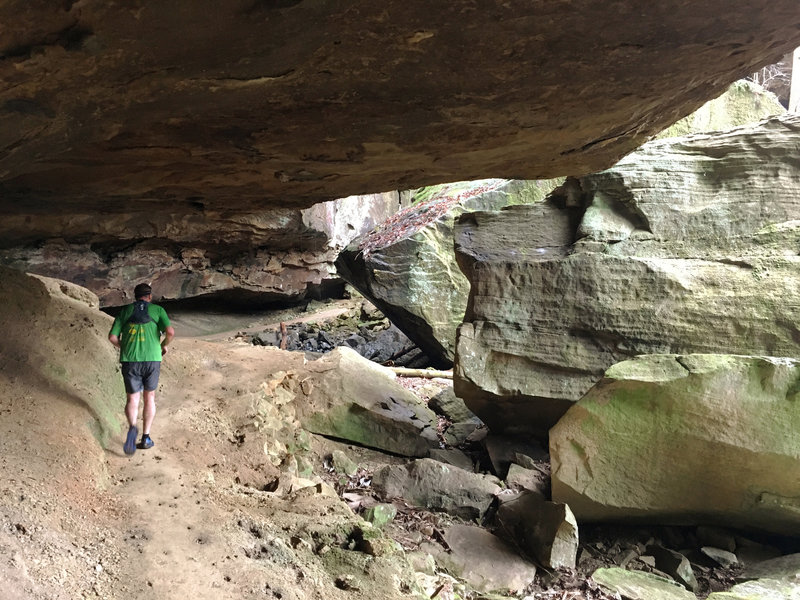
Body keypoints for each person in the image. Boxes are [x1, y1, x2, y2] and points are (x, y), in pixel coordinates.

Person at [108, 283, 175, 455]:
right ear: (150, 296)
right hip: (152, 359)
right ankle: (146, 437)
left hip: (130, 360)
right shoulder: (158, 310)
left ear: (135, 296)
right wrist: (164, 345)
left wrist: (124, 346)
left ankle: (132, 427)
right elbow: (170, 331)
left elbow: (112, 337)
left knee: (133, 399)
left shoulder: (124, 311)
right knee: (149, 397)